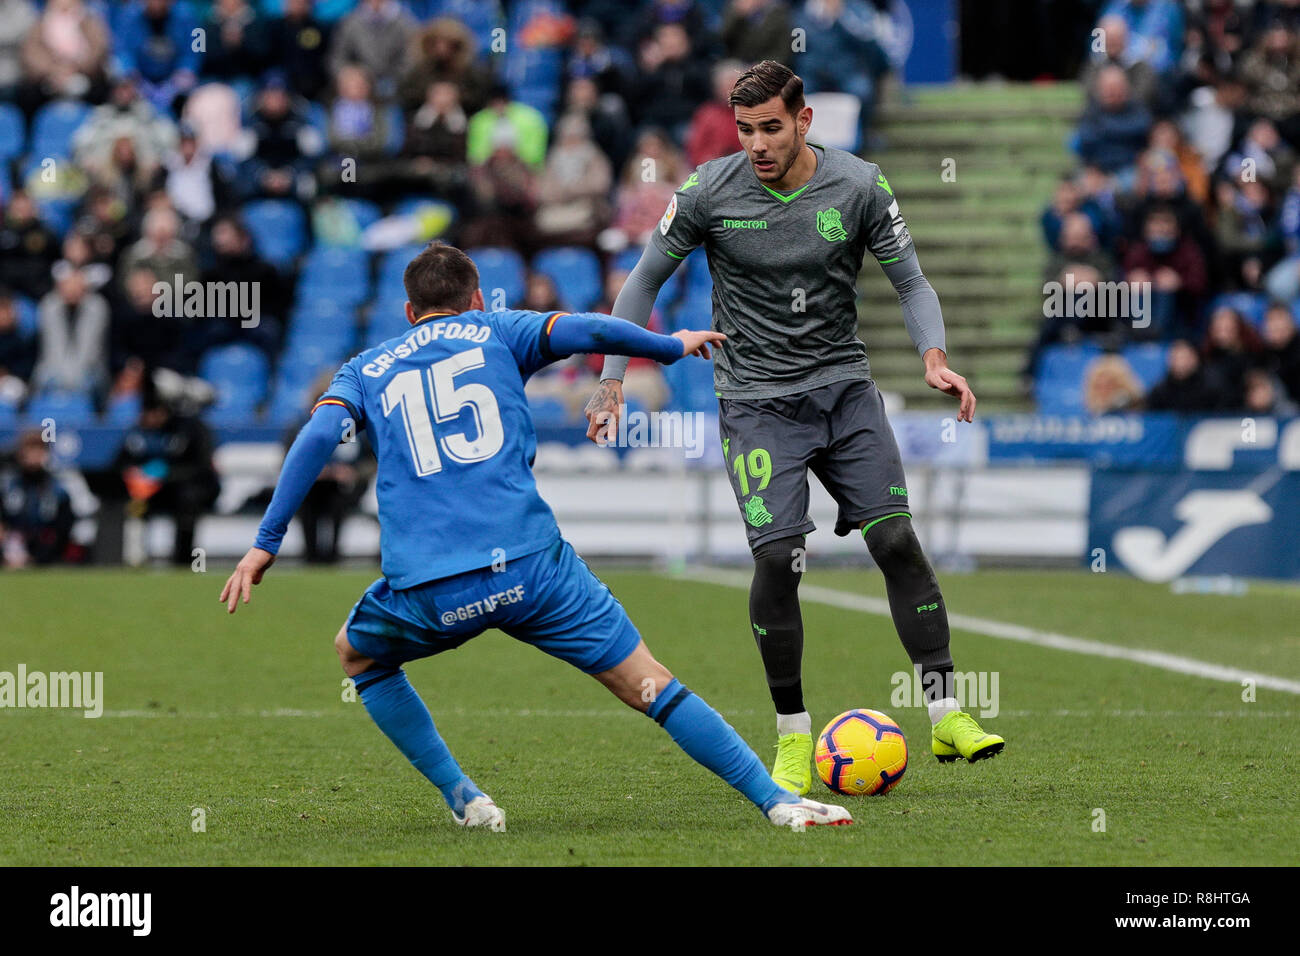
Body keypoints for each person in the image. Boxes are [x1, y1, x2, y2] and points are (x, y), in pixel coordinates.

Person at [220, 242, 851, 832]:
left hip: (432, 587)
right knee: (650, 684)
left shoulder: (364, 368)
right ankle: (778, 804)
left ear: (409, 312)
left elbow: (314, 439)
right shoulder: (499, 330)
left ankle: (464, 796)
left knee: (357, 656)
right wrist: (668, 344)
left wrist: (266, 542)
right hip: (533, 572)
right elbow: (592, 330)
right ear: (476, 299)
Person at [584, 61, 1003, 796]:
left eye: (770, 127)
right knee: (779, 561)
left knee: (897, 538)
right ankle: (792, 736)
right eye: (745, 130)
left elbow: (910, 280)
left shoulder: (859, 184)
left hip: (844, 392)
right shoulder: (709, 192)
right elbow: (645, 277)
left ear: (803, 122)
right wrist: (613, 376)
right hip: (756, 403)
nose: (757, 144)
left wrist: (933, 359)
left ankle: (945, 711)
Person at [0, 429, 74, 567]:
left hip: (46, 553)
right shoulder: (7, 486)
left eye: (38, 450)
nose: (33, 456)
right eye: (29, 450)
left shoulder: (57, 490)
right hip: (12, 547)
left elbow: (63, 529)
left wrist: (37, 556)